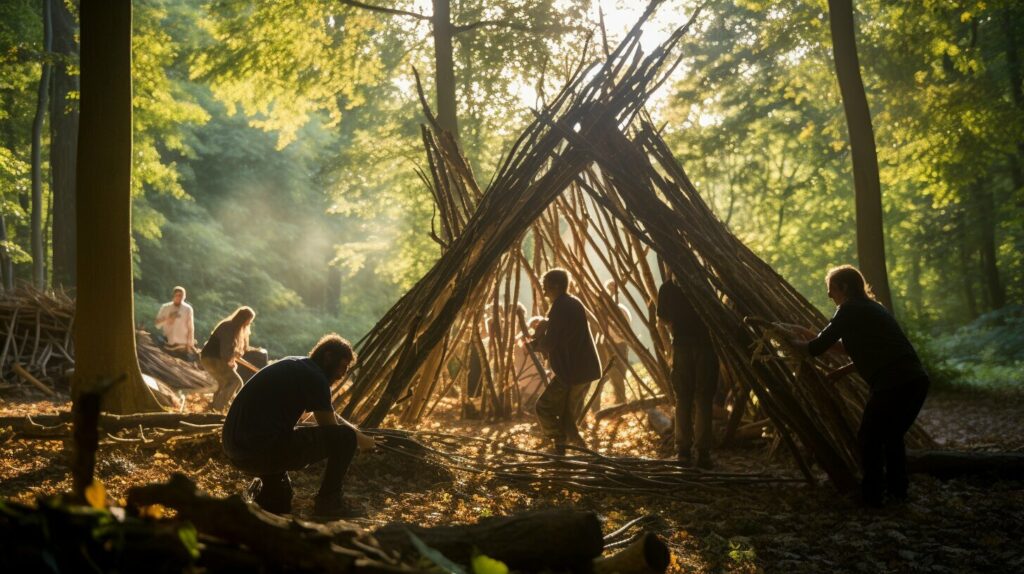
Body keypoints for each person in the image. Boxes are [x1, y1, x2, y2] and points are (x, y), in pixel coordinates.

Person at [791, 265, 930, 507]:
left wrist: (791, 341)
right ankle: (897, 492)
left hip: (893, 383)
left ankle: (872, 496)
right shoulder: (871, 308)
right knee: (892, 436)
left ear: (844, 287)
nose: (828, 294)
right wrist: (839, 371)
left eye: (831, 288)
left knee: (869, 437)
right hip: (914, 381)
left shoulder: (849, 309)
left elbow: (816, 349)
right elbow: (856, 350)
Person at [222, 333, 376, 518]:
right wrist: (359, 439)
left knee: (279, 501)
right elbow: (334, 431)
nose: (343, 374)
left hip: (237, 450)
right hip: (261, 449)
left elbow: (328, 416)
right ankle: (329, 503)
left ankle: (257, 494)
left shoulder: (298, 366)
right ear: (328, 357)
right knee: (345, 438)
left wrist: (360, 436)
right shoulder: (315, 377)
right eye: (342, 366)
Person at [531, 269, 601, 455]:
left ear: (557, 287)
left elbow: (551, 340)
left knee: (544, 407)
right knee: (567, 417)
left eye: (546, 288)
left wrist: (537, 345)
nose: (544, 293)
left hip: (572, 372)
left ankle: (558, 440)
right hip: (583, 370)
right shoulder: (571, 303)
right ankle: (576, 452)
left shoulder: (561, 306)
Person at [657, 276, 718, 469]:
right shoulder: (700, 279)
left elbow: (663, 319)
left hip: (682, 347)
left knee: (683, 398)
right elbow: (715, 312)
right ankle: (703, 453)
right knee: (703, 398)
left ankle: (683, 451)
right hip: (705, 347)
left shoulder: (668, 287)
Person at [202, 306, 255, 412]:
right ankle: (218, 407)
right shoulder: (229, 328)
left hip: (210, 358)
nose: (248, 324)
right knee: (235, 381)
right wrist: (230, 362)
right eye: (248, 321)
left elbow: (228, 351)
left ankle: (215, 406)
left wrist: (232, 357)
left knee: (223, 382)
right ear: (243, 319)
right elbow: (225, 352)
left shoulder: (231, 327)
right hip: (213, 358)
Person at [593, 279, 632, 413]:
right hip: (605, 346)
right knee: (600, 377)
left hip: (619, 346)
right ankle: (595, 407)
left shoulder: (622, 310)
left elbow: (625, 331)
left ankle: (620, 406)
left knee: (618, 377)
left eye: (612, 290)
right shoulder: (602, 311)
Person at [154, 286, 196, 357]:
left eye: (181, 296)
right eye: (177, 295)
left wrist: (190, 344)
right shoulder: (165, 307)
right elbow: (157, 324)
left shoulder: (188, 309)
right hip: (167, 343)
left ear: (184, 297)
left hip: (182, 345)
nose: (179, 297)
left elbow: (190, 328)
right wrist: (167, 318)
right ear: (173, 295)